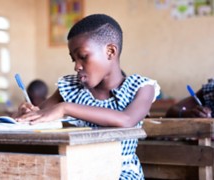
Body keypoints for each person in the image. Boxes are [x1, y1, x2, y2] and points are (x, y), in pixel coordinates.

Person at [13, 14, 160, 179]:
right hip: (79, 170)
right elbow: (38, 115)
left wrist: (65, 107)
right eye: (73, 59)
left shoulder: (141, 87)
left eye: (82, 57)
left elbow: (126, 120)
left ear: (110, 51)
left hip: (120, 172)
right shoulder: (70, 87)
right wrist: (25, 113)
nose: (77, 66)